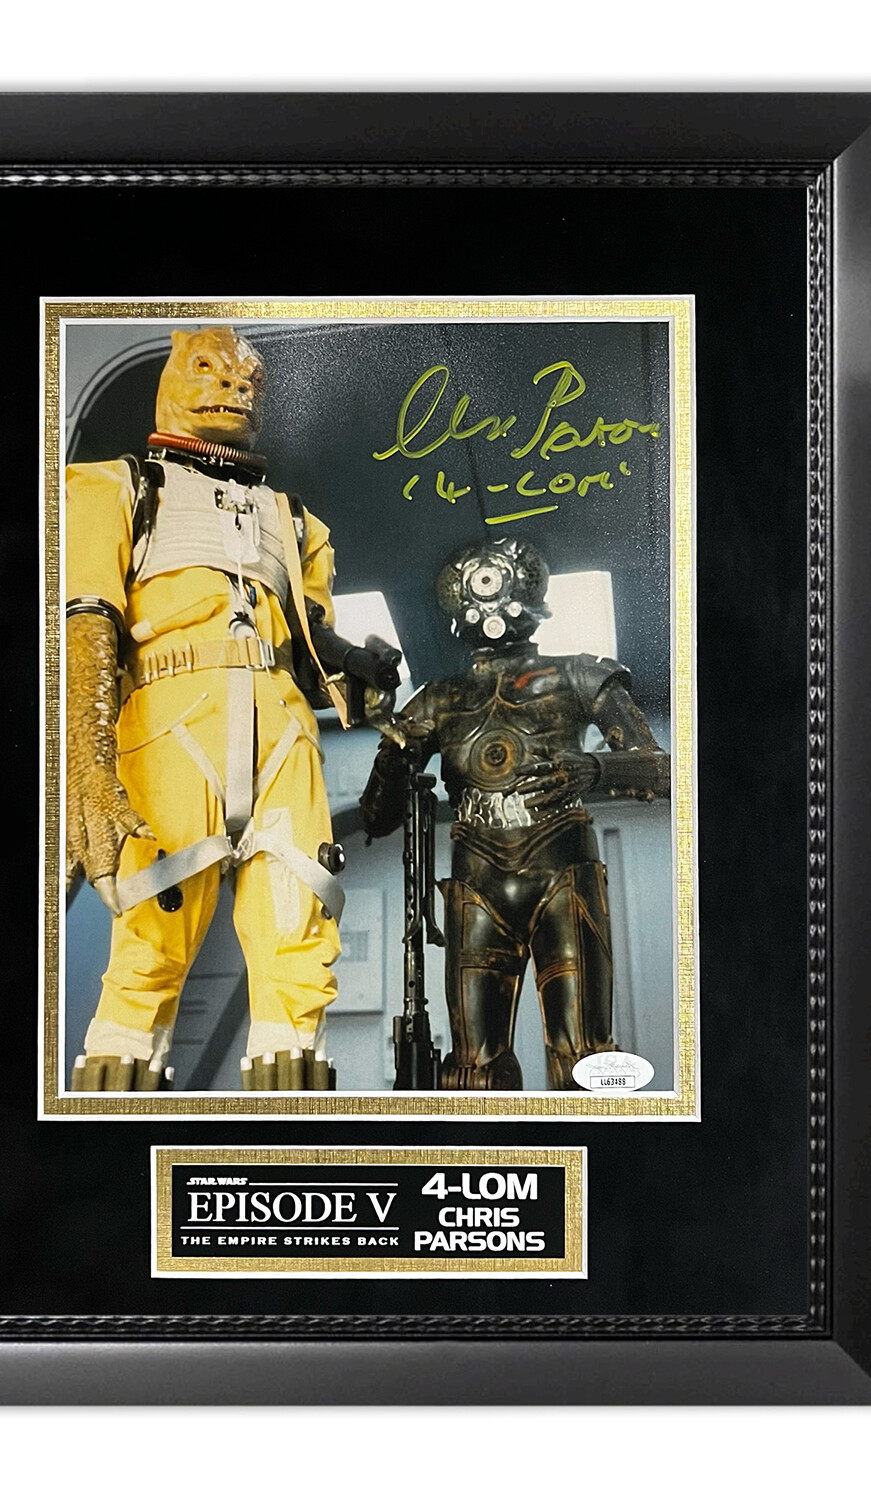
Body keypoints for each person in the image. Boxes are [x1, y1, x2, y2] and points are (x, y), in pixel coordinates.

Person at [64, 327, 399, 1091]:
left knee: (299, 924)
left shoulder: (294, 521)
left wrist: (351, 662)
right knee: (151, 931)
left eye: (250, 378)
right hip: (168, 723)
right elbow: (88, 623)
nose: (236, 385)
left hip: (283, 731)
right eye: (210, 368)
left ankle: (289, 1106)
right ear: (172, 377)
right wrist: (87, 768)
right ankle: (116, 1099)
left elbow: (308, 634)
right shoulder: (118, 488)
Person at [361, 536, 669, 1089]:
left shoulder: (578, 675)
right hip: (478, 885)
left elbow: (660, 768)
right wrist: (393, 748)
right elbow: (377, 816)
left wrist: (594, 768)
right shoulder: (434, 700)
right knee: (472, 1070)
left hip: (562, 875)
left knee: (584, 1059)